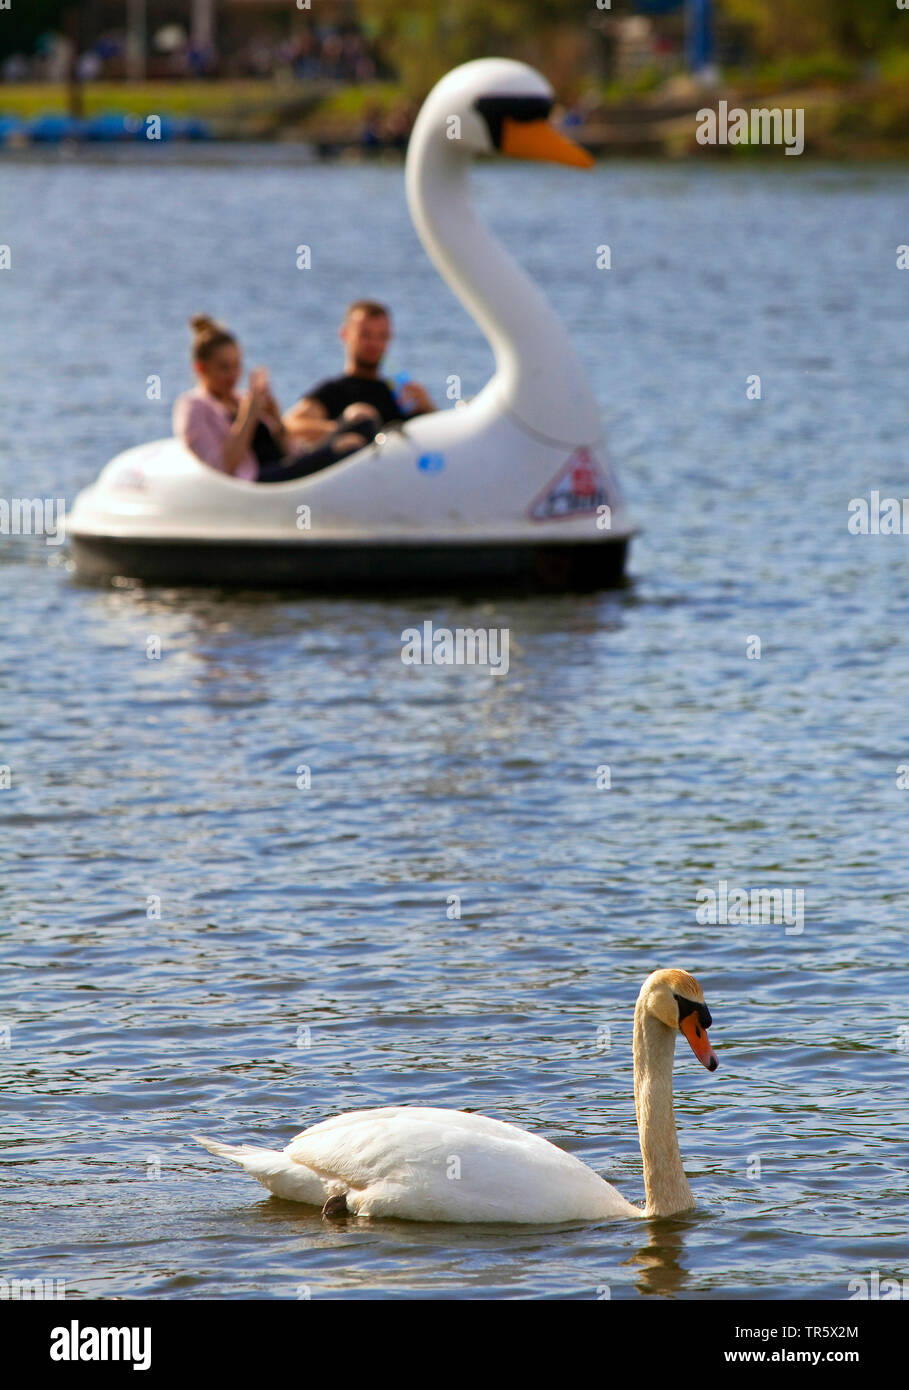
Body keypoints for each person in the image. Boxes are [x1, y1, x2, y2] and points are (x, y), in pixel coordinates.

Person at [173, 316, 379, 484]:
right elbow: (223, 467)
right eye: (224, 368)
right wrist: (249, 415)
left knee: (363, 422)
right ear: (201, 368)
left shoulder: (241, 398)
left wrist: (275, 419)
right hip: (258, 479)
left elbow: (287, 449)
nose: (233, 375)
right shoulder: (194, 406)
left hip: (286, 463)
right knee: (349, 446)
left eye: (237, 366)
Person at [283, 299, 434, 447]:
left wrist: (427, 407)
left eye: (382, 336)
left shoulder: (396, 393)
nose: (374, 344)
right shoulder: (335, 391)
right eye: (365, 335)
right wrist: (347, 427)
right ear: (345, 335)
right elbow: (290, 425)